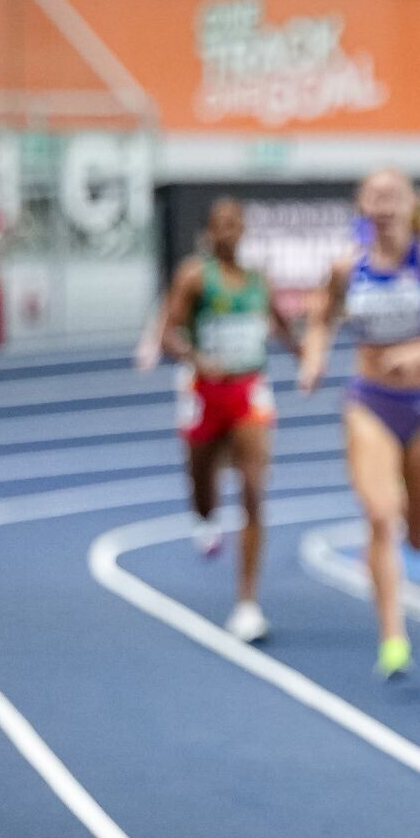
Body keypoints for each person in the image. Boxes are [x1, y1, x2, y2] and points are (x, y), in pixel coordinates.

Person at [302, 167, 420, 678]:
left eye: (392, 196)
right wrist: (315, 359)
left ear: (409, 205)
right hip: (369, 401)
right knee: (381, 515)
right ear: (362, 207)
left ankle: (411, 540)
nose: (382, 205)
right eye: (373, 197)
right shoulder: (345, 268)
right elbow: (320, 319)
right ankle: (393, 639)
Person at [158, 198, 306, 643]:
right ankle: (205, 517)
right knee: (203, 487)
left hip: (248, 392)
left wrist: (305, 357)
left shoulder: (259, 280)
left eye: (235, 224)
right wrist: (196, 357)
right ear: (209, 232)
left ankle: (247, 604)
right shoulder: (194, 277)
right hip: (205, 392)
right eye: (219, 225)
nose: (227, 233)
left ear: (243, 230)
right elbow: (168, 333)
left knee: (254, 492)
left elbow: (280, 325)